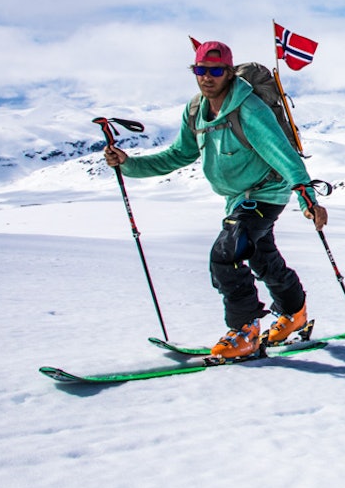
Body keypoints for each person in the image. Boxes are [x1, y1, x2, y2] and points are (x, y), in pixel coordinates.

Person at [105, 40, 328, 359]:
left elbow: (283, 154)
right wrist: (129, 164)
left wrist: (307, 199)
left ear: (229, 72)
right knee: (261, 256)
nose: (206, 77)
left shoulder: (249, 108)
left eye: (214, 71)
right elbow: (179, 154)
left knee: (227, 253)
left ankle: (245, 330)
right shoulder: (195, 109)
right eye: (200, 70)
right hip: (238, 198)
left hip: (265, 193)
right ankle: (295, 314)